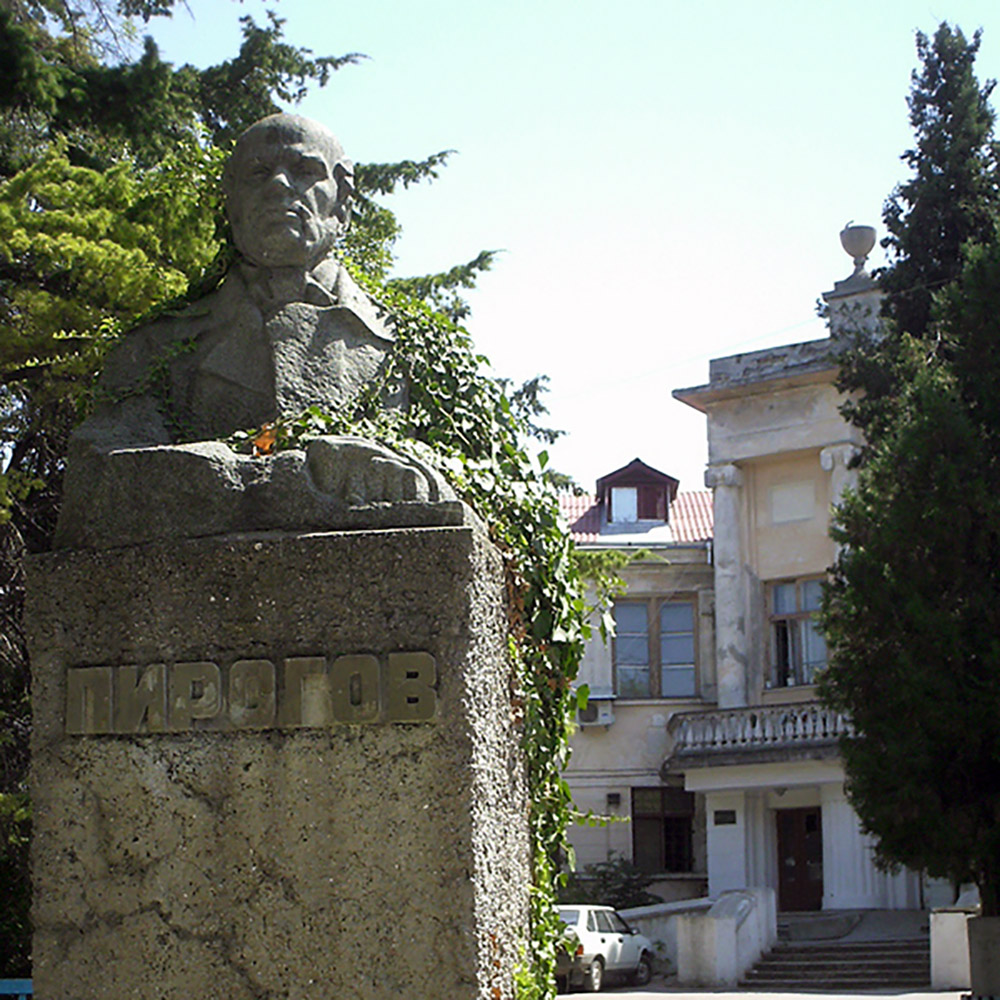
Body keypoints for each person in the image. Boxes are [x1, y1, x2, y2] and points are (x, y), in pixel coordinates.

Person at [56, 114, 454, 549]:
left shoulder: (414, 351)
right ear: (231, 202)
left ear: (343, 203)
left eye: (304, 171)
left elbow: (465, 500)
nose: (280, 186)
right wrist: (291, 478)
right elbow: (96, 488)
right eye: (258, 173)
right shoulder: (153, 349)